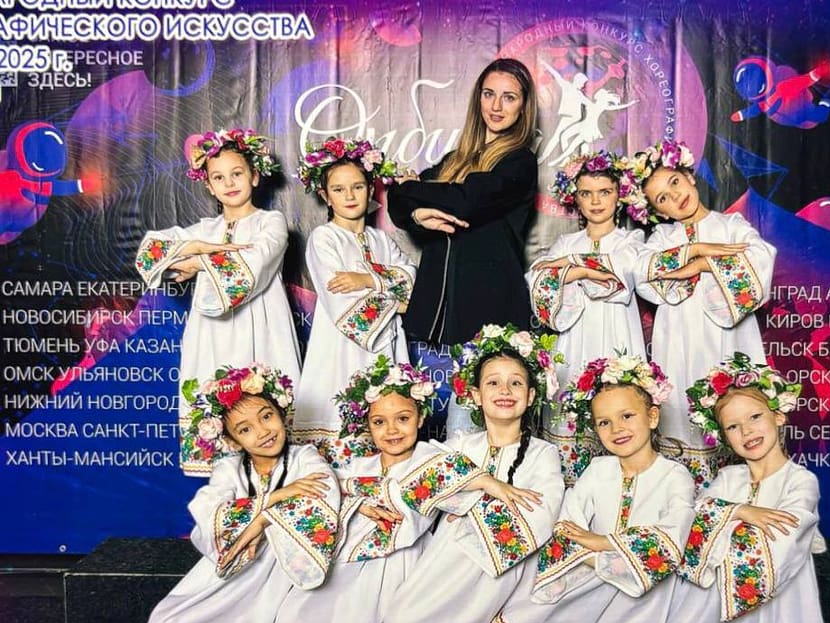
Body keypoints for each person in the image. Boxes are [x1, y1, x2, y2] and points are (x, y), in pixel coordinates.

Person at [223, 357, 539, 623]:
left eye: (403, 418)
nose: (392, 430)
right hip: (349, 563)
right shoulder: (359, 466)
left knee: (379, 622)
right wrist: (355, 504)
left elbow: (458, 479)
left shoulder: (432, 457)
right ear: (366, 426)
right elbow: (325, 495)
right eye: (379, 422)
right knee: (293, 620)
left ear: (420, 417)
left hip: (403, 564)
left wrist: (492, 484)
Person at [471, 356, 693, 623]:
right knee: (530, 618)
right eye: (604, 422)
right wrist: (594, 551)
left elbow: (668, 543)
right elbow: (568, 524)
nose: (617, 429)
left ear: (653, 416)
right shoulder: (598, 469)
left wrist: (599, 543)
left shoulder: (674, 476)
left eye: (627, 416)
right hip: (586, 576)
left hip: (642, 594)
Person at [375, 325, 565, 623]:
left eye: (515, 383)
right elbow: (417, 485)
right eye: (493, 382)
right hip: (448, 562)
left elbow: (540, 512)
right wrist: (485, 483)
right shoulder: (460, 445)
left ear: (531, 396)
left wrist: (463, 493)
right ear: (475, 396)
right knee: (403, 621)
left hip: (503, 568)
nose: (504, 391)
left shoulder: (543, 454)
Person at [138, 364, 340, 623]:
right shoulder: (229, 468)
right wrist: (272, 503)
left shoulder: (305, 458)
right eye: (245, 428)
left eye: (267, 416)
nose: (262, 431)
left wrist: (257, 518)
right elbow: (209, 512)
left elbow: (321, 498)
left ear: (282, 414)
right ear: (231, 439)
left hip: (282, 568)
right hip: (231, 570)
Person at [661, 353, 830, 623]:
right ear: (723, 437)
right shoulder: (729, 479)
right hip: (711, 604)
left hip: (780, 609)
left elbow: (785, 537)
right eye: (733, 427)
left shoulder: (801, 481)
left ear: (778, 415)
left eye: (755, 417)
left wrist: (721, 520)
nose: (747, 432)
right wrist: (740, 511)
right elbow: (693, 523)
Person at [134, 128, 301, 476]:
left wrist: (197, 262)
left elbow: (255, 262)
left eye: (237, 173)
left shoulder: (270, 222)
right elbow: (152, 253)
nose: (229, 183)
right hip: (211, 334)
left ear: (254, 176)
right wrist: (197, 248)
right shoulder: (205, 229)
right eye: (218, 177)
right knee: (218, 421)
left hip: (261, 330)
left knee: (266, 416)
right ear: (209, 186)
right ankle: (229, 497)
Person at [626, 139, 776, 488]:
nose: (675, 196)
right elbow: (643, 273)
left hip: (730, 339)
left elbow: (758, 262)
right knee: (681, 406)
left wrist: (698, 265)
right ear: (658, 211)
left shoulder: (732, 225)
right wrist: (699, 250)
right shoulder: (661, 237)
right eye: (662, 198)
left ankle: (742, 497)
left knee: (736, 407)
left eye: (675, 182)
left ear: (689, 176)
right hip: (678, 340)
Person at [387, 58, 538, 345]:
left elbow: (466, 201)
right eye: (489, 94)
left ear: (523, 106)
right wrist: (417, 215)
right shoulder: (453, 160)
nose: (496, 106)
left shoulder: (520, 162)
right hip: (436, 310)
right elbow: (396, 200)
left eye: (509, 97)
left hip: (488, 306)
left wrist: (413, 188)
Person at [527, 150, 649, 483]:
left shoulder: (632, 241)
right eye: (586, 193)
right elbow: (538, 280)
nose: (596, 201)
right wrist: (582, 271)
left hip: (618, 338)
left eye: (604, 192)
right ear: (575, 198)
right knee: (569, 413)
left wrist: (569, 269)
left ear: (619, 195)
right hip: (573, 341)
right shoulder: (565, 242)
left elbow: (622, 273)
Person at [291, 137, 414, 466]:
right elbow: (344, 302)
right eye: (339, 189)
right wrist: (395, 297)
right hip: (341, 348)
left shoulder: (381, 239)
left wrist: (367, 280)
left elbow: (412, 278)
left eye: (358, 187)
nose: (349, 196)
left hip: (386, 348)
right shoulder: (324, 238)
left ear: (371, 189)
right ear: (324, 195)